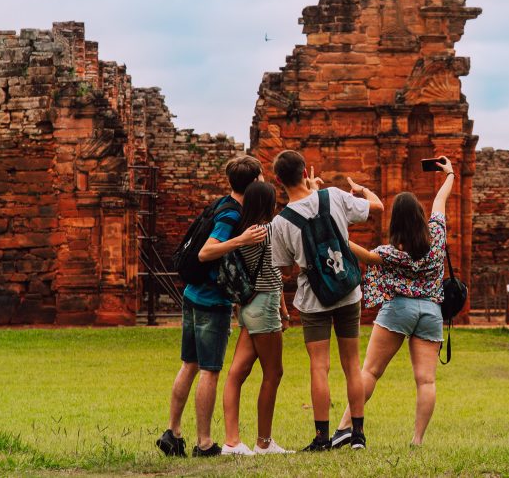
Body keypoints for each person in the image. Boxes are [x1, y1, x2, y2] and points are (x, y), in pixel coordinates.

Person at [333, 155, 455, 448]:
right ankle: (417, 440)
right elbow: (441, 201)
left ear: (396, 222)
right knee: (426, 381)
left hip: (399, 308)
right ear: (420, 215)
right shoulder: (437, 235)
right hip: (431, 311)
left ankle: (344, 429)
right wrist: (449, 174)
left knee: (371, 372)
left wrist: (337, 232)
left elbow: (364, 254)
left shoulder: (390, 252)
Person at [268, 149, 383, 451]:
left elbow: (284, 268)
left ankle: (322, 438)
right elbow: (376, 208)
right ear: (306, 171)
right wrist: (360, 190)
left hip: (313, 297)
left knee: (319, 366)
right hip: (347, 290)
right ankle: (357, 433)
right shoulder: (333, 195)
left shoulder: (280, 223)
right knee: (352, 362)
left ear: (278, 180)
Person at [156, 155, 267, 459]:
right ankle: (204, 442)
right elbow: (206, 252)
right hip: (209, 302)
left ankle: (173, 432)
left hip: (193, 295)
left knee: (189, 364)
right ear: (254, 181)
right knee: (209, 370)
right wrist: (241, 239)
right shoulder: (231, 215)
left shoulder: (221, 203)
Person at [200, 180, 293, 456]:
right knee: (273, 373)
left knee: (236, 374)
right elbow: (285, 271)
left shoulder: (243, 231)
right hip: (264, 305)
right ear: (269, 204)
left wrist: (283, 309)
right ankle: (263, 442)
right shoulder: (271, 230)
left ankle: (232, 441)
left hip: (247, 306)